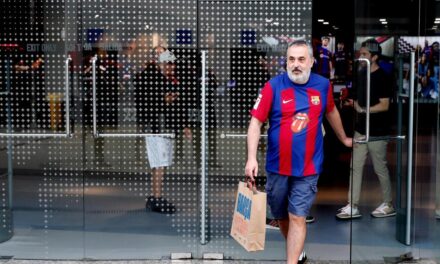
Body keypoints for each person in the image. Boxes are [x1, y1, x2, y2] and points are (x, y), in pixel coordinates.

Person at [245, 39, 352, 264]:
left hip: (308, 167)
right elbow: (255, 123)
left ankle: (292, 261)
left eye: (301, 59)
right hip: (277, 167)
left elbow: (331, 112)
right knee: (281, 216)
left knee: (297, 216)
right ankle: (297, 251)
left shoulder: (323, 85)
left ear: (312, 62)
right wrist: (251, 158)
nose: (296, 64)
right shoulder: (273, 86)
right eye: (291, 59)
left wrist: (343, 138)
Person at [336, 39, 395, 220]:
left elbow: (384, 105)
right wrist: (350, 101)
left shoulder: (383, 77)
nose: (361, 58)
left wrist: (362, 109)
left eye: (365, 55)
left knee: (380, 168)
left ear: (374, 57)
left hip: (377, 131)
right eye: (360, 54)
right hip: (361, 129)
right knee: (356, 167)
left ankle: (388, 203)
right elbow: (358, 100)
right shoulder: (361, 74)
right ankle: (352, 205)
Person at [135, 48, 191, 214]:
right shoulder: (150, 78)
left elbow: (177, 106)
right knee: (159, 164)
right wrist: (163, 101)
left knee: (161, 164)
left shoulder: (168, 80)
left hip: (164, 128)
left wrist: (184, 125)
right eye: (168, 65)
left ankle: (156, 197)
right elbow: (145, 104)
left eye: (172, 65)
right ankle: (157, 198)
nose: (171, 68)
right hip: (156, 128)